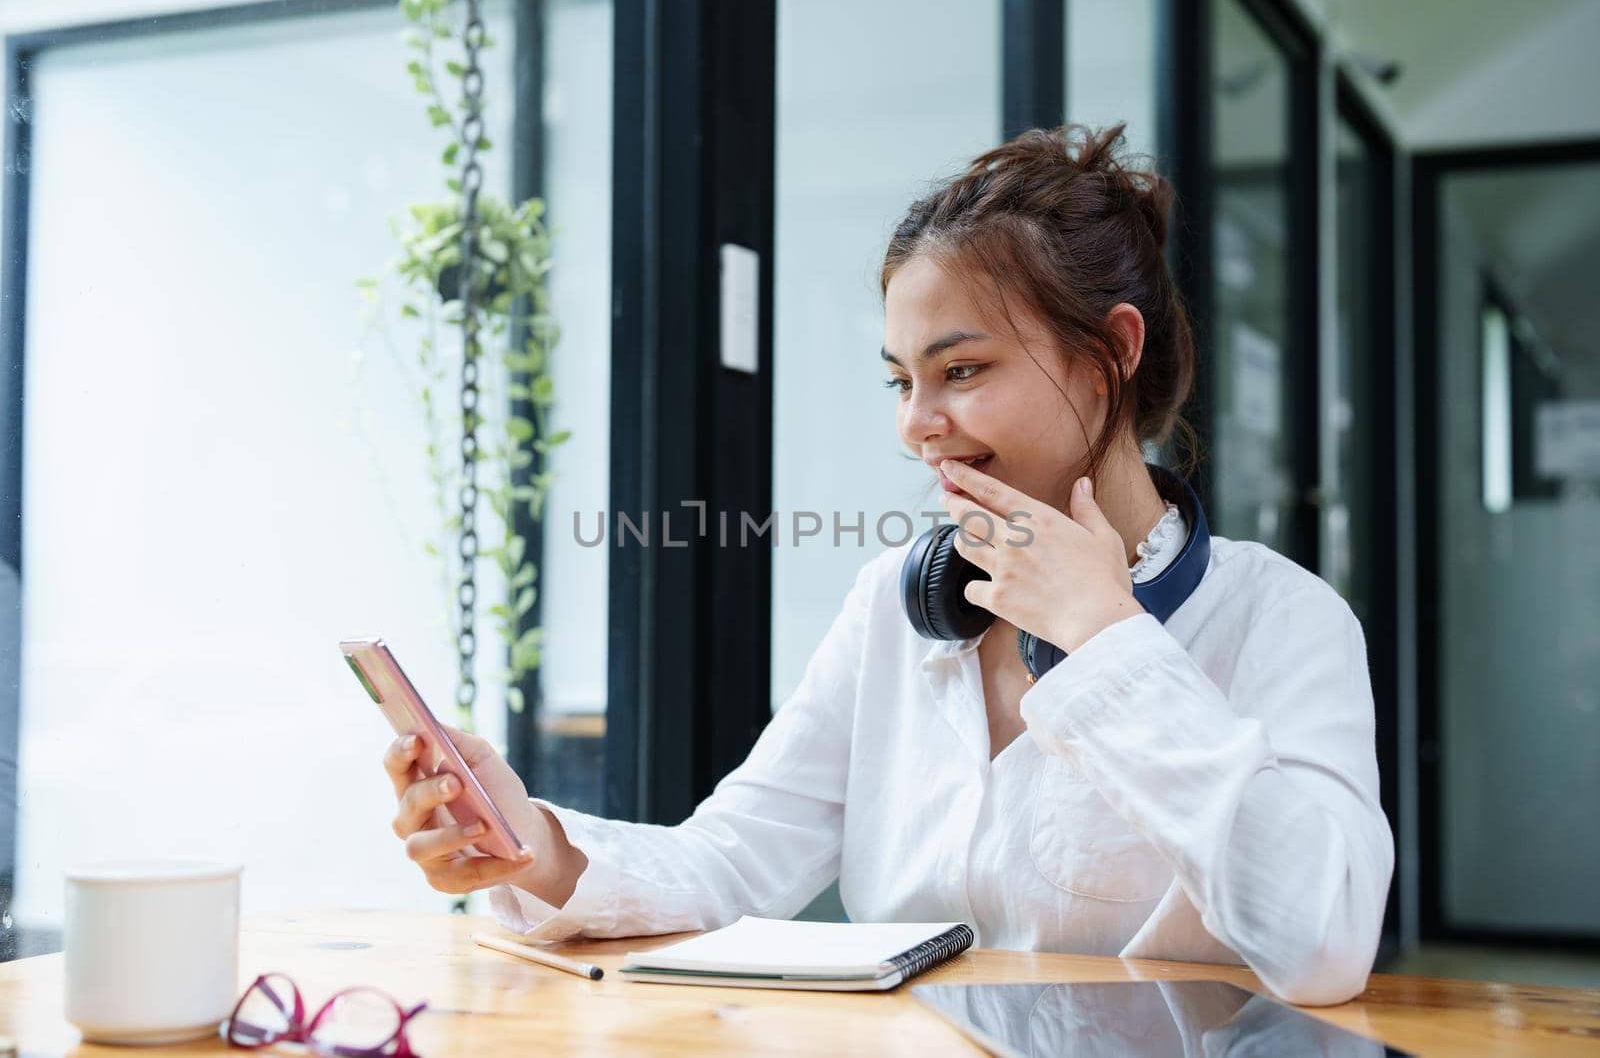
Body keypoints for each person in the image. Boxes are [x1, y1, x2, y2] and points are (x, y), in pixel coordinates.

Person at [380, 124, 1393, 1007]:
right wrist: (537, 845)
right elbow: (733, 857)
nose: (917, 425)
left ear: (1107, 356)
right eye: (903, 380)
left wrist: (1110, 641)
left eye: (961, 371)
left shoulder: (1281, 619)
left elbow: (1322, 941)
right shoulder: (892, 607)